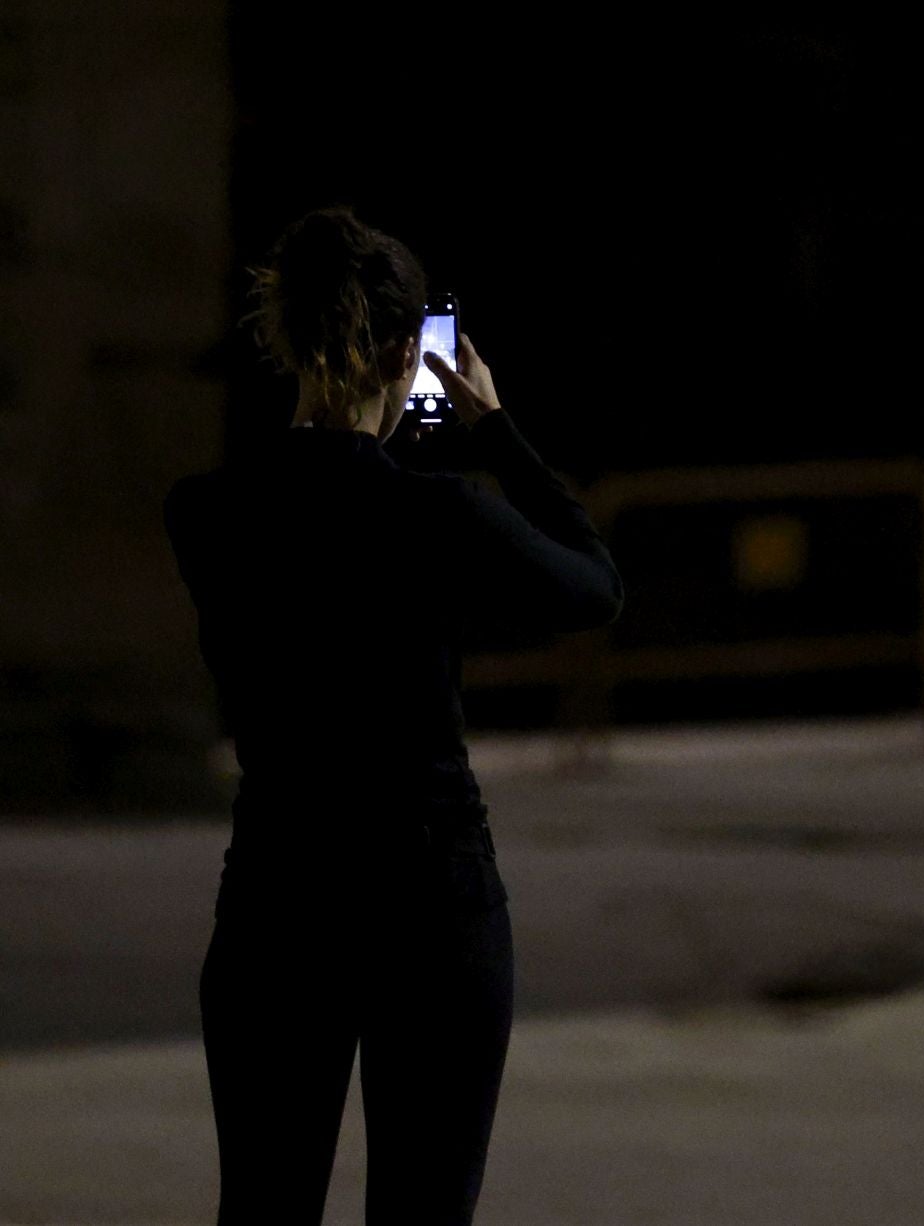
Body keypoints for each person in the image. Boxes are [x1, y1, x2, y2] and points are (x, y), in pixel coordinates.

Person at [163, 206, 623, 1224]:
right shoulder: (441, 512)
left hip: (279, 890)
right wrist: (495, 429)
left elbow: (310, 496)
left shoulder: (203, 515)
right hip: (431, 896)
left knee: (263, 1205)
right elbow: (594, 587)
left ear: (283, 338)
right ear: (407, 355)